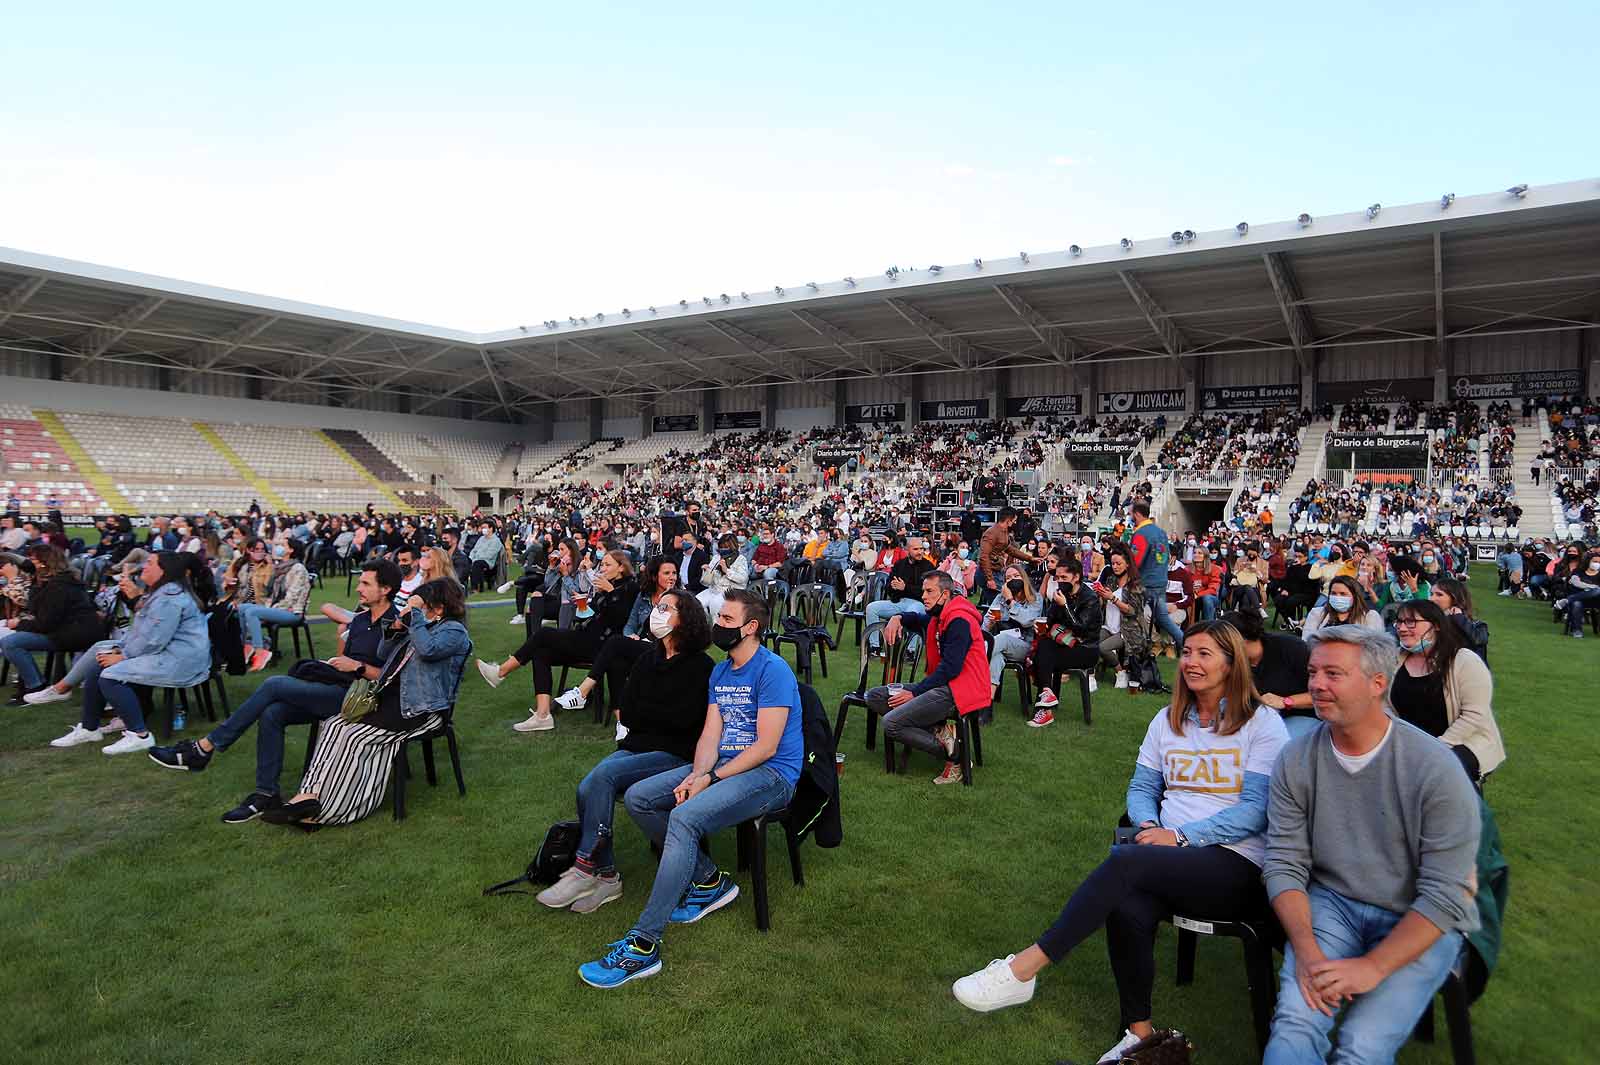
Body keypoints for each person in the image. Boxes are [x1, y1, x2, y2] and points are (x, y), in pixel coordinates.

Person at [951, 620, 1289, 1064]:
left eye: (1205, 653)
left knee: (1126, 865)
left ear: (1232, 663)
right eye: (1186, 652)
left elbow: (1256, 810)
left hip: (1235, 865)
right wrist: (1151, 826)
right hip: (1167, 858)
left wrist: (1181, 837)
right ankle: (1140, 1036)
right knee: (1126, 903)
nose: (1190, 662)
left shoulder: (1261, 724)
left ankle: (1026, 967)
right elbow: (1143, 788)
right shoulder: (1167, 721)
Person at [1262, 625, 1481, 1065]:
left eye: (1333, 674)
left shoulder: (1433, 767)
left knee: (1362, 1044)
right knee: (1295, 1022)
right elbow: (1284, 862)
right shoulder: (1296, 758)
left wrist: (1373, 967)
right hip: (1334, 905)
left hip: (1418, 915)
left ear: (1378, 684)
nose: (1316, 685)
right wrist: (1306, 950)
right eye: (1313, 672)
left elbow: (1447, 893)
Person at [577, 588, 803, 988]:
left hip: (771, 776)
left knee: (683, 818)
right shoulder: (721, 671)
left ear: (751, 628)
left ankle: (644, 945)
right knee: (640, 797)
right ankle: (710, 881)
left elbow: (767, 746)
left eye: (728, 622)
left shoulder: (772, 670)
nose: (720, 627)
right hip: (723, 767)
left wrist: (711, 779)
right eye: (720, 619)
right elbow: (710, 735)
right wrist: (699, 774)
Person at [143, 559, 404, 823]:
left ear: (386, 589)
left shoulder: (397, 624)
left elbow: (394, 677)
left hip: (363, 699)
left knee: (274, 684)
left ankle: (205, 747)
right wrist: (336, 663)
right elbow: (345, 660)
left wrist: (357, 666)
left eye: (365, 583)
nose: (358, 588)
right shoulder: (359, 620)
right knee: (273, 713)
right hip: (337, 688)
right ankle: (265, 794)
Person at [535, 589, 715, 913]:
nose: (657, 612)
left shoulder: (701, 666)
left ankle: (586, 865)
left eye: (666, 608)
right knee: (587, 787)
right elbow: (629, 711)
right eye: (657, 606)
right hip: (638, 747)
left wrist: (653, 714)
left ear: (685, 619)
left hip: (677, 753)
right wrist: (657, 714)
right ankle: (607, 878)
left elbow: (687, 721)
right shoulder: (650, 657)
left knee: (604, 774)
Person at [262, 578, 471, 828]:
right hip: (394, 701)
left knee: (355, 736)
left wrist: (414, 614)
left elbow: (427, 651)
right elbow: (383, 653)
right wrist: (395, 629)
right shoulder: (419, 627)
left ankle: (328, 811)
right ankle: (307, 797)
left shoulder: (454, 632)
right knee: (333, 725)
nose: (416, 609)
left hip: (423, 711)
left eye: (422, 605)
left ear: (439, 608)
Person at [46, 552, 212, 756]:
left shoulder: (170, 598)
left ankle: (139, 735)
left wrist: (123, 656)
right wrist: (120, 650)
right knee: (99, 663)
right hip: (169, 654)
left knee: (110, 675)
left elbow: (154, 640)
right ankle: (90, 728)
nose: (144, 567)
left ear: (164, 571)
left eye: (150, 563)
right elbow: (143, 632)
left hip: (180, 661)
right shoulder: (162, 592)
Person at [481, 550, 638, 732]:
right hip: (586, 637)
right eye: (602, 564)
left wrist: (609, 592)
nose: (602, 568)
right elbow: (588, 616)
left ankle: (501, 671)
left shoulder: (630, 587)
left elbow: (622, 619)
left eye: (608, 565)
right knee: (541, 651)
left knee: (544, 634)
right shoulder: (604, 586)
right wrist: (584, 604)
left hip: (603, 646)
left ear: (621, 567)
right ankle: (543, 715)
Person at [865, 571, 989, 785]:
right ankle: (941, 731)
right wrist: (897, 617)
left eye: (929, 591)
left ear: (945, 594)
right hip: (944, 684)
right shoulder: (940, 615)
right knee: (874, 696)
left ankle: (957, 755)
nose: (923, 596)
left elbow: (951, 668)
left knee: (891, 724)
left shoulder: (960, 620)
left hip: (960, 689)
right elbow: (919, 619)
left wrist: (914, 692)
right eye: (923, 591)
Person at [551, 556, 678, 738]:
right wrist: (631, 636)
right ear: (654, 576)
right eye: (667, 573)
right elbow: (630, 624)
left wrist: (668, 601)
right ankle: (622, 722)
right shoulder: (643, 596)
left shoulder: (681, 599)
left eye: (674, 573)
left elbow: (686, 631)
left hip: (665, 649)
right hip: (641, 646)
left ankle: (582, 692)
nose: (672, 577)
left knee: (615, 642)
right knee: (617, 660)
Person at [1389, 599, 1504, 782]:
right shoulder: (1394, 660)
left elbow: (1474, 715)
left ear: (1435, 626)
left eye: (1411, 622)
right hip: (1411, 744)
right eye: (1400, 622)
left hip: (1462, 742)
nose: (1402, 628)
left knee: (1437, 773)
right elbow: (1384, 706)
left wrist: (1436, 748)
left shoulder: (1464, 661)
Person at [2, 545, 102, 704]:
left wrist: (20, 623)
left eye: (34, 560)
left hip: (73, 634)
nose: (30, 563)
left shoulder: (58, 586)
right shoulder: (57, 581)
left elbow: (45, 624)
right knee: (13, 637)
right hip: (67, 630)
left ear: (44, 563)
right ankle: (33, 685)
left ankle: (35, 686)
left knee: (11, 642)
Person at [1029, 556, 1104, 725]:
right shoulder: (1061, 594)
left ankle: (1044, 708)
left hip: (1086, 649)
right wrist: (1042, 625)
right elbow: (1050, 619)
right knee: (1044, 646)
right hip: (1065, 643)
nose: (1059, 581)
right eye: (1057, 577)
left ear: (1076, 577)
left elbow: (1081, 628)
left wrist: (1064, 606)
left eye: (1064, 578)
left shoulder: (1089, 598)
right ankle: (1047, 695)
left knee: (1044, 655)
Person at [1227, 609, 1314, 740]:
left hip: (1301, 715)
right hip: (1257, 720)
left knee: (1280, 744)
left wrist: (1286, 701)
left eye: (1221, 643)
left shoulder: (1292, 649)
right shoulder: (1229, 662)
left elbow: (1326, 695)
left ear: (1240, 640)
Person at [236, 537, 312, 673]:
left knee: (252, 613)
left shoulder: (298, 568)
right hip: (279, 607)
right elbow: (272, 593)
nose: (279, 547)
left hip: (292, 611)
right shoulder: (282, 566)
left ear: (291, 550)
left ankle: (260, 652)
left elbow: (292, 597)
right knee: (241, 608)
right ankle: (244, 646)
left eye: (283, 545)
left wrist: (270, 609)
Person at [1128, 499, 1182, 652]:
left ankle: (1135, 648)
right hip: (1160, 580)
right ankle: (1184, 641)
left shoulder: (1141, 533)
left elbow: (1135, 561)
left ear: (1137, 514)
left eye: (1131, 513)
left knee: (1130, 615)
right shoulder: (1160, 532)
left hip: (1145, 583)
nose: (1130, 516)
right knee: (1163, 618)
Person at [983, 564, 1042, 702]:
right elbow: (984, 629)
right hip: (1000, 646)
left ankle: (973, 660)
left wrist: (1010, 600)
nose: (1012, 580)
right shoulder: (999, 598)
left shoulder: (1035, 598)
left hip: (1025, 647)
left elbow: (1027, 621)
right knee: (996, 657)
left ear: (1024, 578)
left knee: (1002, 639)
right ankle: (987, 703)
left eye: (1016, 576)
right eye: (1008, 578)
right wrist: (990, 624)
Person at [865, 536, 936, 648]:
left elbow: (929, 592)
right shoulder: (900, 564)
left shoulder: (928, 566)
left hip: (918, 603)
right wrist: (893, 587)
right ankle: (875, 646)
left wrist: (905, 588)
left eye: (921, 549)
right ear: (907, 550)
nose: (920, 552)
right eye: (916, 549)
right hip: (898, 602)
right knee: (871, 608)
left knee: (913, 612)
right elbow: (889, 586)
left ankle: (911, 650)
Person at [1095, 543, 1149, 691]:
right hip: (1109, 625)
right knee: (1091, 642)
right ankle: (1090, 674)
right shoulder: (1111, 579)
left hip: (1128, 629)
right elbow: (1104, 602)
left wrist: (1113, 598)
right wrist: (1101, 595)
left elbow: (1133, 611)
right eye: (1112, 563)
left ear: (1127, 564)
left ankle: (1120, 672)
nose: (1115, 566)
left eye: (1118, 563)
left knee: (1103, 648)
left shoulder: (1136, 584)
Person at [1299, 575, 1383, 640]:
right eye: (1333, 593)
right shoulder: (1317, 614)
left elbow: (1375, 647)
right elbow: (1307, 640)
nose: (1337, 597)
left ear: (1354, 596)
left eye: (1343, 594)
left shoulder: (1370, 617)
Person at [1428, 577, 1489, 665]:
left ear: (1454, 598)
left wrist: (1459, 618)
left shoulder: (1477, 625)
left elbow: (1478, 640)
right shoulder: (1431, 622)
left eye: (1439, 594)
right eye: (1431, 594)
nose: (1431, 599)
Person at [979, 507, 1035, 595]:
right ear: (1008, 521)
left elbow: (1010, 549)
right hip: (989, 572)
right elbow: (984, 556)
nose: (1015, 523)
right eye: (1014, 521)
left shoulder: (1003, 531)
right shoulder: (992, 533)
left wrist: (1030, 558)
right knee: (1003, 599)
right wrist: (990, 578)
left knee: (1003, 599)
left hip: (994, 571)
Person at [696, 532, 749, 620]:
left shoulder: (741, 559)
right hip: (713, 589)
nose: (723, 549)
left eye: (726, 547)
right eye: (721, 547)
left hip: (730, 592)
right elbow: (706, 583)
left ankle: (716, 629)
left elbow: (743, 579)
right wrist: (707, 571)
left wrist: (727, 571)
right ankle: (704, 627)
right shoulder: (716, 557)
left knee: (715, 603)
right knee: (696, 603)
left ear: (733, 547)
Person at [1190, 551, 1223, 621]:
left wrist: (1198, 594)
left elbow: (1213, 589)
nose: (1196, 555)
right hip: (1193, 595)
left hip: (1211, 597)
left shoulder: (1215, 569)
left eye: (1199, 553)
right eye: (1194, 553)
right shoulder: (1187, 569)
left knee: (1207, 598)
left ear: (1206, 556)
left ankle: (1208, 625)